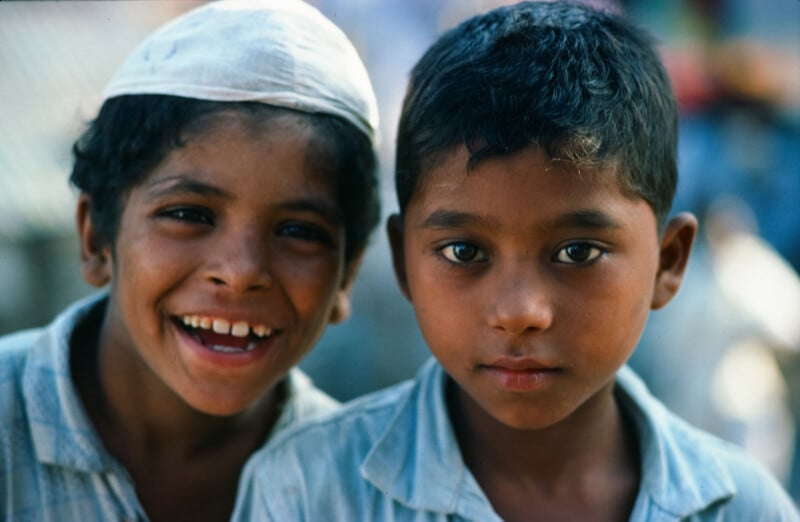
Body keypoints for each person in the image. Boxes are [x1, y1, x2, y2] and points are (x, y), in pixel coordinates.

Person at [233, 1, 799, 520]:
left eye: (578, 252)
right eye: (464, 252)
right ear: (405, 263)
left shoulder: (743, 507)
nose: (520, 311)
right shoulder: (307, 492)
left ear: (667, 263)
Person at [0, 1, 380, 520]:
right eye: (188, 214)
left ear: (347, 274)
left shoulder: (368, 489)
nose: (242, 271)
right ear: (95, 238)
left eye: (297, 231)